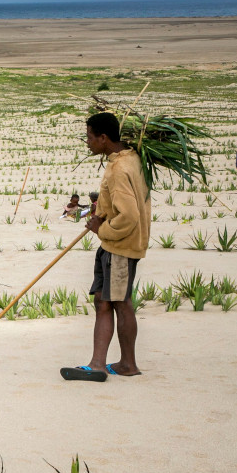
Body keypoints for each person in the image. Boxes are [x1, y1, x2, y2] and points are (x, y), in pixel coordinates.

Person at [61, 112, 150, 382]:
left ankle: (126, 365)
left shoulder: (120, 168)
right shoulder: (128, 158)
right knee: (102, 299)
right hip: (112, 245)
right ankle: (99, 363)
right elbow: (120, 204)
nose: (87, 143)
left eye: (90, 137)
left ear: (103, 138)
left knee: (120, 302)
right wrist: (101, 212)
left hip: (120, 246)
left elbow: (130, 215)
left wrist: (103, 229)